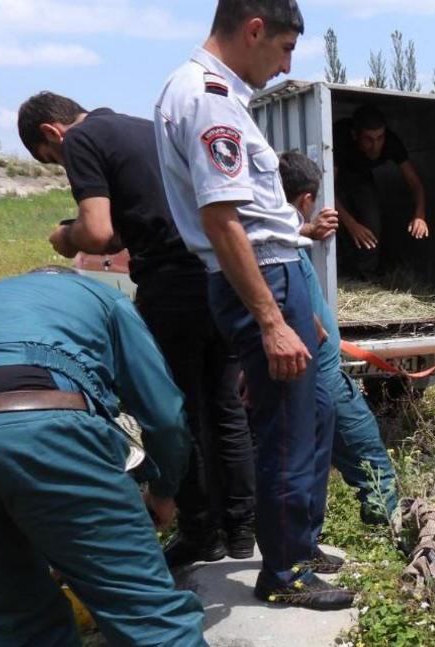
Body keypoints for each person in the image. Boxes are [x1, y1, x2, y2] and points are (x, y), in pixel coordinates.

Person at [154, 0, 350, 609]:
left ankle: (299, 542)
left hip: (280, 275)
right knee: (287, 434)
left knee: (313, 413)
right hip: (264, 277)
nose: (287, 64)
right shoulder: (209, 97)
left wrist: (299, 315)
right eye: (286, 48)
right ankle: (283, 574)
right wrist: (270, 320)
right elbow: (224, 220)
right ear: (255, 29)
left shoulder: (214, 94)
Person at [16, 91, 256, 569]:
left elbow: (99, 233)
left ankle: (199, 533)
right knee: (226, 409)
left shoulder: (82, 139)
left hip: (171, 289)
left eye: (52, 158)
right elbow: (149, 217)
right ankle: (243, 531)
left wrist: (64, 237)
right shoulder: (145, 129)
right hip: (218, 276)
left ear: (51, 132)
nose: (61, 162)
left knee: (178, 410)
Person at [0, 268, 206, 646]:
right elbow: (164, 414)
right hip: (46, 422)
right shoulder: (101, 296)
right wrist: (164, 489)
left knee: (19, 613)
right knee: (149, 618)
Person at [279, 151, 400, 528]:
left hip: (306, 365)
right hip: (319, 370)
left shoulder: (265, 230)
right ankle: (383, 521)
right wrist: (308, 320)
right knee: (361, 446)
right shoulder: (274, 246)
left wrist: (309, 232)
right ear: (307, 200)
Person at [333, 105, 428, 278]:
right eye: (369, 139)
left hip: (361, 177)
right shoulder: (339, 138)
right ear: (355, 135)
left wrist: (420, 216)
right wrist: (352, 225)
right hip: (334, 179)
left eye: (380, 138)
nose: (375, 146)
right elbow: (328, 189)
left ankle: (366, 278)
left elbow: (415, 183)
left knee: (372, 223)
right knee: (337, 225)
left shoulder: (391, 142)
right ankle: (341, 274)